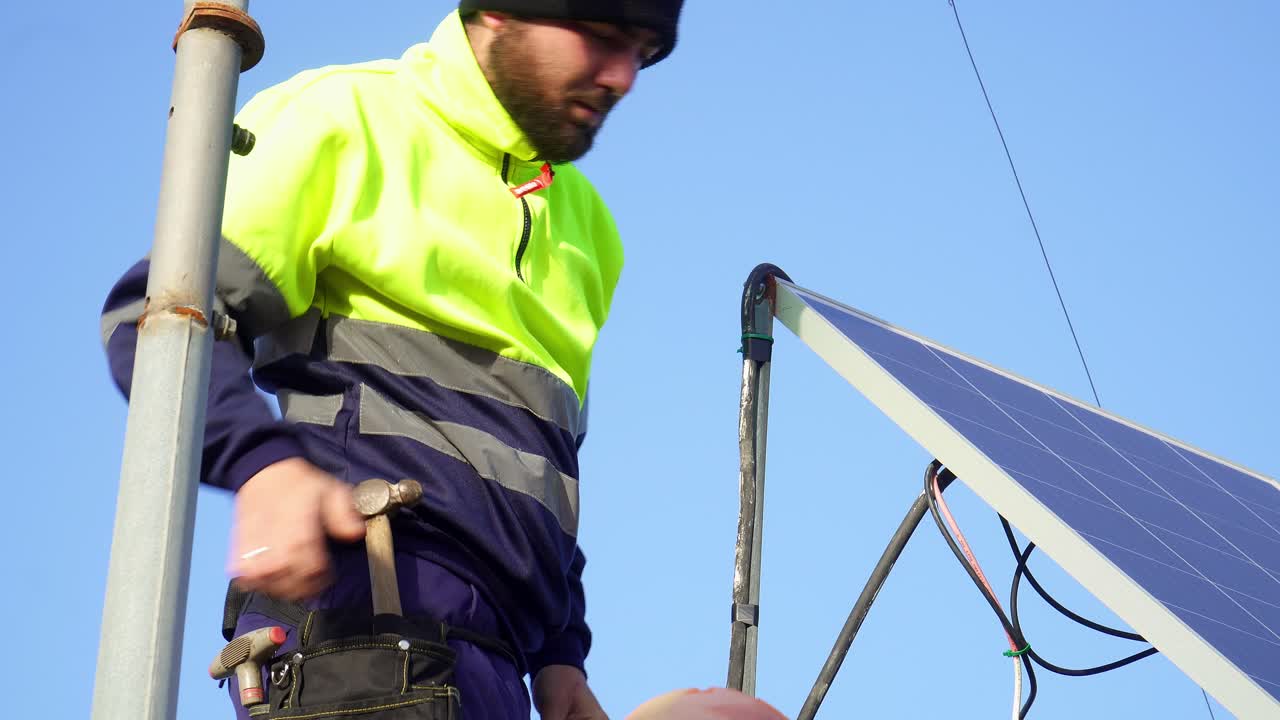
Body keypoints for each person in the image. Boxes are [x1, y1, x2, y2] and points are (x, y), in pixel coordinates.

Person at [100, 1, 683, 717]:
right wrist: (264, 467)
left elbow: (541, 470)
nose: (623, 76)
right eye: (600, 37)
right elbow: (149, 318)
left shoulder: (591, 232)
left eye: (643, 51)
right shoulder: (342, 119)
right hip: (359, 631)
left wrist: (561, 658)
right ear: (500, 12)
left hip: (500, 668)